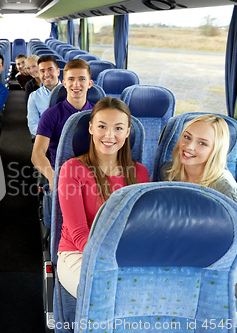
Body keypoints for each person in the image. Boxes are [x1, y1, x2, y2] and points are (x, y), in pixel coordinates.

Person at [57, 97, 149, 298]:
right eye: (102, 126)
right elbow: (79, 233)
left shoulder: (140, 173)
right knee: (105, 293)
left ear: (127, 132)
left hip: (124, 253)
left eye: (118, 128)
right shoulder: (72, 169)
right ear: (91, 128)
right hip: (79, 253)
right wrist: (112, 258)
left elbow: (139, 228)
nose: (109, 135)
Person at [160, 114, 237, 246]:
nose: (189, 146)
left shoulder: (226, 190)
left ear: (215, 151)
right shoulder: (168, 172)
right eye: (187, 137)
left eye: (202, 143)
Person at [31, 59, 94, 192]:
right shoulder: (50, 115)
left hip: (93, 174)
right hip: (61, 173)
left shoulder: (99, 115)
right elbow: (37, 154)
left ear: (90, 83)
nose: (76, 84)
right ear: (64, 83)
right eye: (71, 79)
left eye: (82, 79)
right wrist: (51, 176)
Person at [27, 55, 61, 137]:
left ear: (58, 72)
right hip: (45, 141)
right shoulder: (34, 97)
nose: (46, 74)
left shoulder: (71, 91)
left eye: (50, 69)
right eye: (42, 71)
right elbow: (33, 125)